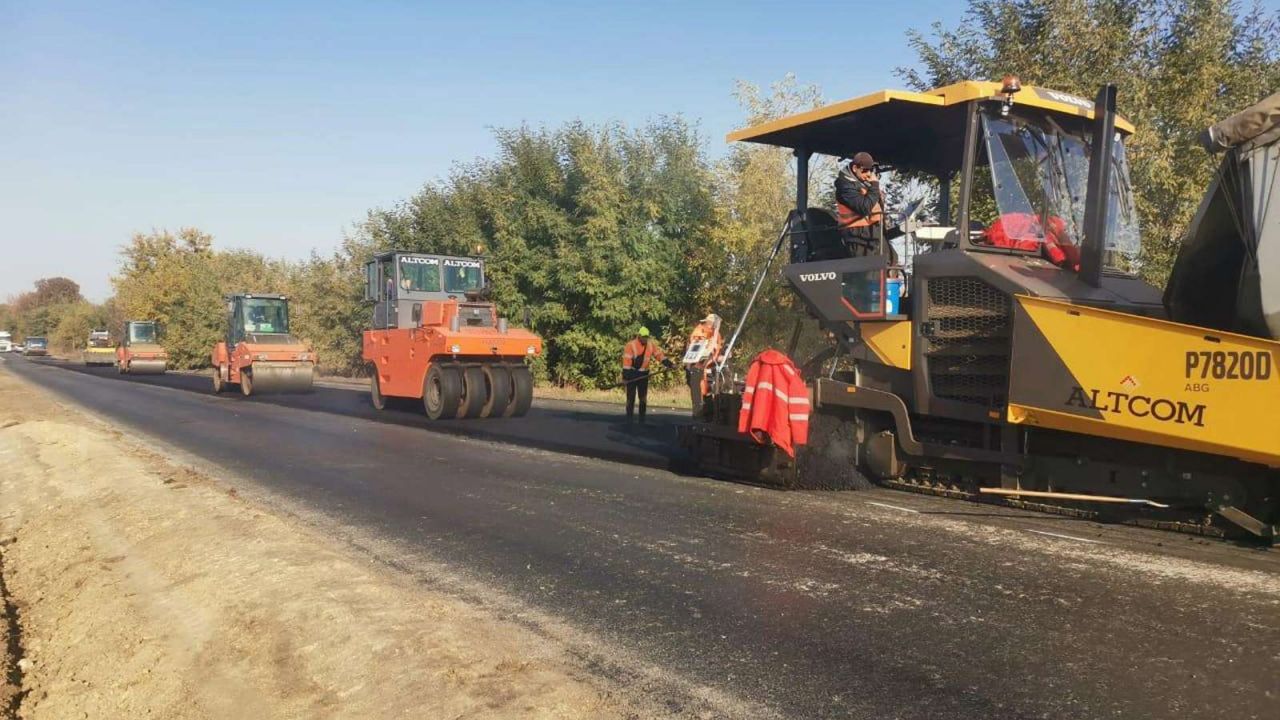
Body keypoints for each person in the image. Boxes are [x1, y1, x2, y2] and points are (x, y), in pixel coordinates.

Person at [835, 152, 885, 256]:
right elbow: (864, 207)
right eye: (865, 170)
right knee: (866, 270)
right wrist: (874, 186)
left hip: (872, 233)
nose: (869, 174)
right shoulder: (845, 186)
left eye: (871, 170)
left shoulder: (864, 183)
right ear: (854, 168)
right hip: (857, 235)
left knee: (891, 260)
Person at [621, 326, 672, 423]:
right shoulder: (630, 345)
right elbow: (627, 363)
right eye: (643, 336)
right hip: (632, 373)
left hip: (644, 374)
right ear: (638, 336)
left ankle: (642, 419)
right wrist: (625, 377)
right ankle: (629, 418)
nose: (645, 339)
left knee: (643, 398)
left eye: (646, 337)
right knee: (631, 397)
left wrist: (669, 364)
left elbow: (659, 355)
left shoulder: (650, 345)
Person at [683, 314, 723, 416]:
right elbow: (700, 351)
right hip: (696, 367)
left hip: (709, 368)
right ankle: (697, 416)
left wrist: (718, 358)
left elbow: (716, 349)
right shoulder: (699, 332)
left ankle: (707, 415)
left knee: (708, 393)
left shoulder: (715, 334)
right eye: (715, 325)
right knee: (697, 395)